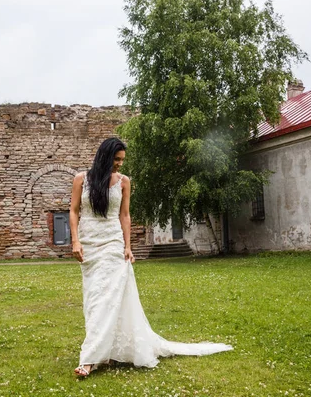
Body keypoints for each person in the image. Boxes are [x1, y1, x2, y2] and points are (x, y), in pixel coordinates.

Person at [69, 137, 232, 377]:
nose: (120, 164)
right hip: (90, 245)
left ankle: (89, 360)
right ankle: (107, 351)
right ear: (104, 156)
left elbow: (125, 216)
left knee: (107, 299)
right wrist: (75, 240)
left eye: (122, 160)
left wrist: (128, 246)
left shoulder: (124, 182)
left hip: (113, 244)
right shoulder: (81, 180)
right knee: (94, 300)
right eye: (116, 159)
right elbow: (73, 211)